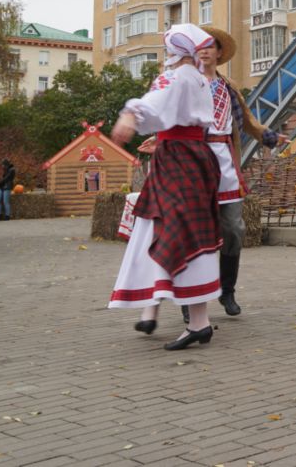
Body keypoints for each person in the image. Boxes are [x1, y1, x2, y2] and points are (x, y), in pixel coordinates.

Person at [108, 25, 223, 351]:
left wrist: (131, 113)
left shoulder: (179, 76)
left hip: (178, 159)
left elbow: (154, 103)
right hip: (193, 157)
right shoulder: (199, 77)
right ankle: (186, 317)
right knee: (181, 231)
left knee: (167, 227)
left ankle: (182, 316)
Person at [194, 28, 279, 319]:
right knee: (197, 232)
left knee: (233, 228)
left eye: (211, 46)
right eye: (200, 46)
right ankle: (192, 300)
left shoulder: (229, 86)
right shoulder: (184, 81)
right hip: (195, 163)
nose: (205, 51)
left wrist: (268, 136)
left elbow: (249, 121)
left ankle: (227, 290)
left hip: (226, 163)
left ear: (219, 53)